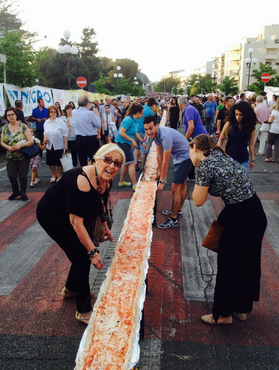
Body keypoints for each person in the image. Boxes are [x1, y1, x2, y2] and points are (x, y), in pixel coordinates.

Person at [36, 144, 125, 324]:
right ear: (95, 159)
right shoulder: (82, 180)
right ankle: (83, 311)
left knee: (79, 253)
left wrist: (104, 225)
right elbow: (76, 223)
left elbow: (100, 202)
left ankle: (71, 289)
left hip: (72, 214)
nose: (111, 166)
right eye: (107, 160)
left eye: (117, 163)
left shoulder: (106, 178)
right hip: (52, 215)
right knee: (82, 256)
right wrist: (93, 251)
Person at [189, 134, 267, 325]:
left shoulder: (205, 165)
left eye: (190, 149)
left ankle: (223, 315)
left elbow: (198, 201)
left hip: (240, 217)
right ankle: (240, 308)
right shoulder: (221, 155)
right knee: (247, 263)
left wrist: (195, 167)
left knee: (229, 265)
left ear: (196, 148)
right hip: (255, 211)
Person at [144, 115, 192, 229]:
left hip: (185, 157)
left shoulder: (165, 136)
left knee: (175, 187)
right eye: (146, 129)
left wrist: (162, 180)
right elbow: (159, 155)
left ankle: (173, 219)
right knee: (182, 183)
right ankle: (178, 210)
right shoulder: (156, 135)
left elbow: (166, 161)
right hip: (180, 155)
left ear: (157, 125)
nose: (148, 132)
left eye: (150, 128)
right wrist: (159, 171)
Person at [1, 107, 33, 200]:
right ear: (6, 117)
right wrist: (8, 147)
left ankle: (23, 192)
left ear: (16, 115)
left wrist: (21, 145)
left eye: (12, 114)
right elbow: (2, 141)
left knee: (23, 175)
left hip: (22, 155)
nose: (11, 116)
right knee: (11, 175)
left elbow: (30, 141)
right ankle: (15, 192)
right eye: (8, 115)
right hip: (10, 156)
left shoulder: (23, 126)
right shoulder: (5, 128)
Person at [115, 103, 147, 190]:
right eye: (142, 113)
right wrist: (132, 140)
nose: (142, 114)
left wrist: (142, 141)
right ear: (137, 113)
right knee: (132, 163)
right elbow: (121, 132)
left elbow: (134, 133)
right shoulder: (128, 120)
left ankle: (121, 182)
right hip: (123, 143)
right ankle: (135, 184)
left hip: (125, 143)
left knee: (126, 163)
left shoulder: (133, 120)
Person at [218, 102, 256, 172]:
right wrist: (218, 157)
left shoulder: (251, 126)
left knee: (242, 181)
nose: (238, 117)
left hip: (243, 159)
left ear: (246, 115)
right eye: (236, 114)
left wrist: (253, 159)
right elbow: (220, 140)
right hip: (228, 158)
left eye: (241, 115)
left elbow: (251, 144)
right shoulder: (229, 124)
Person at [178, 95, 208, 181]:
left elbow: (191, 127)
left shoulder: (188, 110)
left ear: (180, 104)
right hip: (197, 135)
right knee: (194, 156)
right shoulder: (189, 108)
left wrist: (185, 138)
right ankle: (192, 176)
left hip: (198, 136)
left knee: (199, 156)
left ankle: (199, 177)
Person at [72, 95, 101, 166]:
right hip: (90, 139)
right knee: (95, 159)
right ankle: (96, 175)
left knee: (82, 161)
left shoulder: (74, 112)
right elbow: (98, 125)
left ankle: (85, 175)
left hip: (79, 139)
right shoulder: (90, 113)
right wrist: (96, 115)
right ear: (87, 103)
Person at [43, 106, 68, 182]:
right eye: (51, 112)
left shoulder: (60, 122)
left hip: (59, 144)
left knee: (59, 162)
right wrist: (44, 139)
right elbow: (45, 132)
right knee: (50, 161)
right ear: (49, 113)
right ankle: (54, 174)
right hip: (49, 145)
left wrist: (66, 145)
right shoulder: (46, 122)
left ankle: (59, 175)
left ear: (57, 113)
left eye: (54, 112)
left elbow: (65, 134)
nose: (53, 113)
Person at [134, 97, 156, 171]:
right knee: (144, 150)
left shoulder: (141, 108)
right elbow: (150, 125)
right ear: (153, 104)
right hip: (144, 131)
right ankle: (143, 166)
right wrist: (147, 135)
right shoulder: (150, 112)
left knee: (136, 148)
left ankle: (136, 164)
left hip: (136, 130)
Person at [265, 98, 279, 163]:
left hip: (273, 129)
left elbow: (270, 121)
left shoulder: (275, 111)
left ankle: (269, 157)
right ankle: (277, 158)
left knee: (269, 142)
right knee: (277, 144)